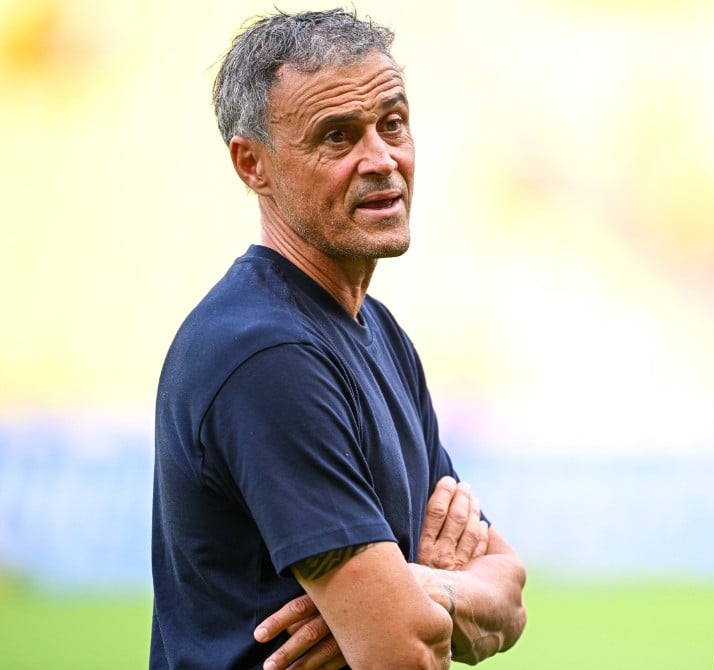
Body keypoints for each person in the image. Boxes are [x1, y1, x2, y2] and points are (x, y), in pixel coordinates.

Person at [151, 9, 526, 669]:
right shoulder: (269, 357)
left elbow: (510, 600)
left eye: (393, 123)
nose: (382, 159)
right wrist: (413, 606)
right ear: (252, 164)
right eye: (337, 136)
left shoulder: (377, 332)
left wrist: (417, 587)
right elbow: (405, 651)